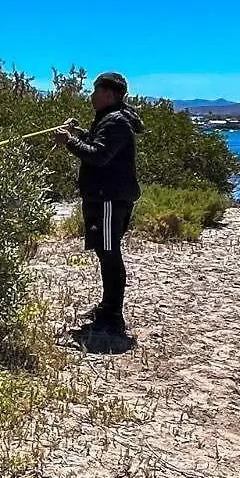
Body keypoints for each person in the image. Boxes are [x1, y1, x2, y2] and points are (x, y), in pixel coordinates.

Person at [52, 72, 145, 334]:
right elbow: (98, 144)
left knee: (109, 253)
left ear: (108, 94)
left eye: (95, 91)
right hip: (106, 196)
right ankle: (108, 307)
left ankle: (113, 315)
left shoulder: (115, 122)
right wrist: (79, 133)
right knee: (106, 251)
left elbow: (98, 156)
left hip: (109, 198)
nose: (91, 96)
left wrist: (69, 141)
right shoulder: (111, 119)